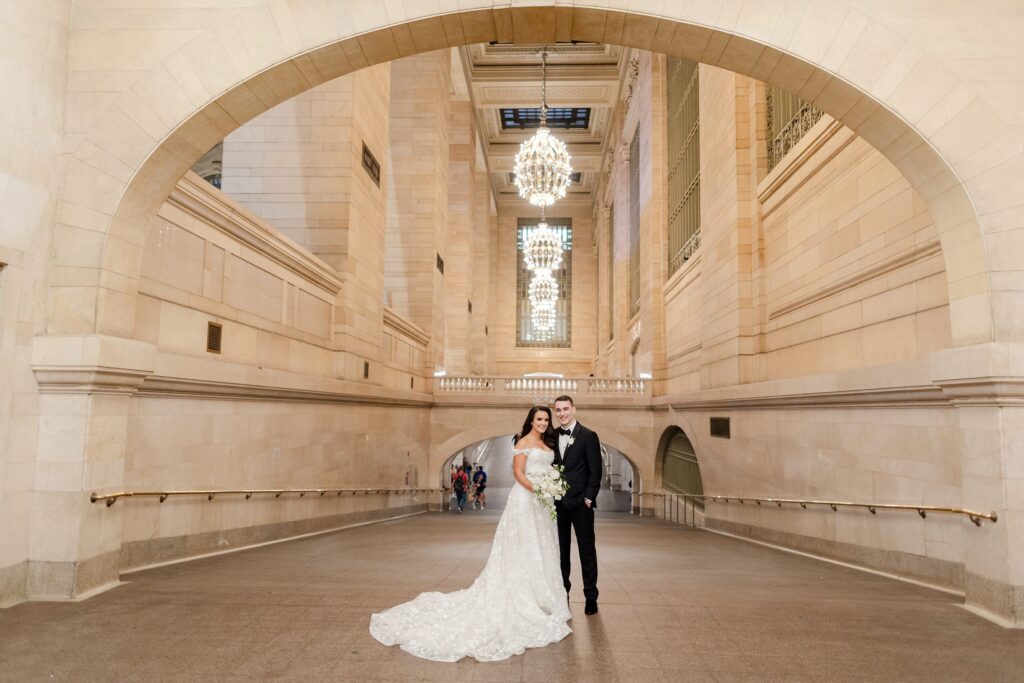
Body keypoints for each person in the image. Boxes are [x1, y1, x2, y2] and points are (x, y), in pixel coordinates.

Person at [370, 406, 571, 662]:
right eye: (539, 419)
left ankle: (543, 597)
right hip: (526, 499)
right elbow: (518, 473)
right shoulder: (523, 442)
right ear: (531, 421)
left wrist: (550, 487)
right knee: (523, 545)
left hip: (543, 505)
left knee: (542, 546)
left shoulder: (547, 442)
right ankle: (523, 596)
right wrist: (539, 490)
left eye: (546, 419)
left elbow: (550, 470)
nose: (543, 423)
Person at [552, 394, 602, 616]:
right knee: (561, 553)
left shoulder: (588, 436)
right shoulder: (551, 437)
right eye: (558, 410)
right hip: (557, 505)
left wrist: (589, 498)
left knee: (586, 551)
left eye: (565, 409)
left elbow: (595, 470)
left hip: (582, 505)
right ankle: (564, 596)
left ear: (573, 409)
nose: (562, 413)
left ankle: (591, 596)